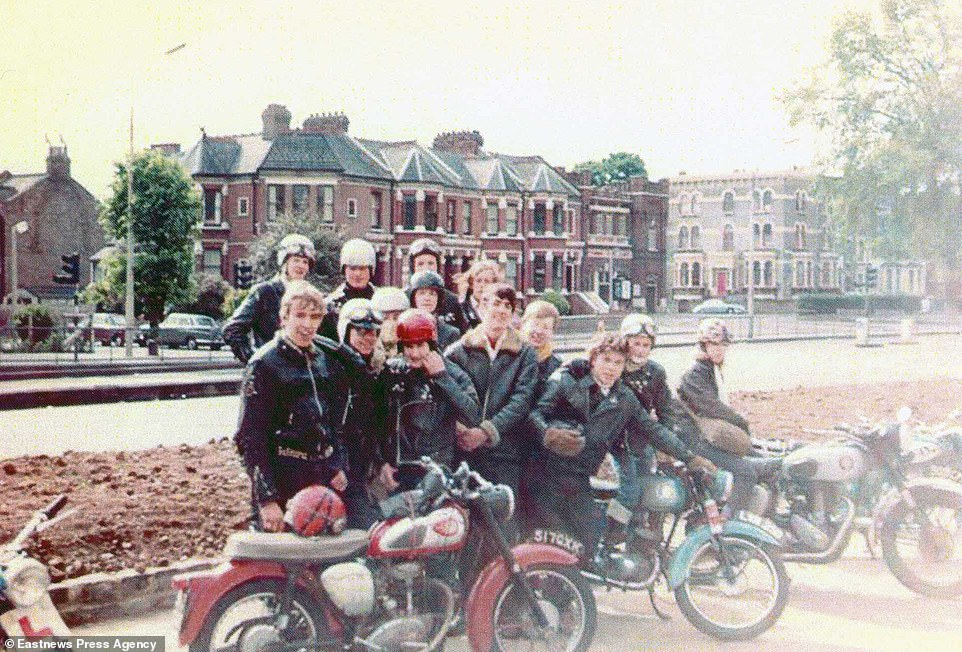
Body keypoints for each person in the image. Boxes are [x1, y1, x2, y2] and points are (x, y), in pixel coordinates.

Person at [527, 333, 716, 561]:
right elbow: (535, 413)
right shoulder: (567, 382)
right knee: (548, 544)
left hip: (578, 478)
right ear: (593, 360)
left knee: (586, 542)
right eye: (606, 360)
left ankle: (570, 590)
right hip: (545, 475)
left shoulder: (625, 398)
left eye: (618, 363)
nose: (611, 368)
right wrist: (547, 433)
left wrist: (690, 457)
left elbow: (652, 429)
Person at [234, 280, 363, 532]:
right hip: (282, 475)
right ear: (284, 317)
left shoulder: (323, 360)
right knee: (281, 561)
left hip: (320, 474)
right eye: (300, 315)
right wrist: (267, 498)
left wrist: (337, 462)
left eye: (315, 316)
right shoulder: (263, 364)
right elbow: (250, 437)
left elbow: (333, 422)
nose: (307, 324)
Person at [445, 283, 538, 497]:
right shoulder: (458, 351)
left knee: (501, 519)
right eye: (496, 303)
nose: (502, 310)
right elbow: (446, 394)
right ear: (481, 307)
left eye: (508, 306)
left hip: (505, 452)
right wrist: (460, 429)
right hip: (464, 450)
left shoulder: (525, 354)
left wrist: (486, 432)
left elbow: (521, 401)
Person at [378, 309, 481, 492]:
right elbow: (378, 421)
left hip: (437, 469)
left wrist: (442, 378)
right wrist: (381, 462)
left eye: (420, 346)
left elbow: (473, 414)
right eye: (409, 347)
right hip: (399, 467)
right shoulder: (392, 371)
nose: (415, 353)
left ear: (432, 345)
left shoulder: (452, 373)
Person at [677, 318, 772, 513]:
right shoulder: (695, 374)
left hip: (709, 436)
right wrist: (741, 423)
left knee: (767, 462)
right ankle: (729, 521)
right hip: (695, 440)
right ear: (703, 345)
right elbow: (713, 407)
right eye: (713, 344)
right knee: (747, 473)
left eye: (723, 345)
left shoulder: (710, 370)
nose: (719, 349)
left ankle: (764, 512)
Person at [222, 234, 316, 364]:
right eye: (296, 260)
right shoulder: (265, 291)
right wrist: (256, 361)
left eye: (305, 262)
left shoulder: (310, 295)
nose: (301, 266)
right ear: (284, 263)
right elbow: (232, 329)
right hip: (272, 376)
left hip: (302, 372)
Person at [336, 298, 388, 528]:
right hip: (338, 465)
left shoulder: (377, 372)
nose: (368, 338)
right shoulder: (332, 368)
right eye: (361, 331)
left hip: (363, 463)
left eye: (373, 333)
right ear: (346, 331)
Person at [320, 238, 378, 340]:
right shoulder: (330, 306)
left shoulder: (380, 301)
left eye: (362, 268)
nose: (357, 274)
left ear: (371, 270)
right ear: (344, 269)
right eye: (352, 268)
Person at [407, 238, 466, 332]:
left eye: (431, 263)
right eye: (420, 264)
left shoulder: (452, 301)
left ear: (437, 266)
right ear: (413, 267)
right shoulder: (404, 298)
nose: (426, 268)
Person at [408, 271, 461, 351]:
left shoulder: (451, 333)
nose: (427, 298)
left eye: (432, 294)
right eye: (422, 293)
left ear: (439, 299)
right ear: (414, 298)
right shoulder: (405, 328)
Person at [459, 259, 502, 329]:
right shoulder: (461, 308)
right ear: (471, 283)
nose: (482, 285)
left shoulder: (498, 309)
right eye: (478, 281)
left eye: (487, 281)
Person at [371, 286, 410, 359]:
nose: (390, 324)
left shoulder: (412, 350)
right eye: (385, 318)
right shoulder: (367, 351)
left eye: (396, 318)